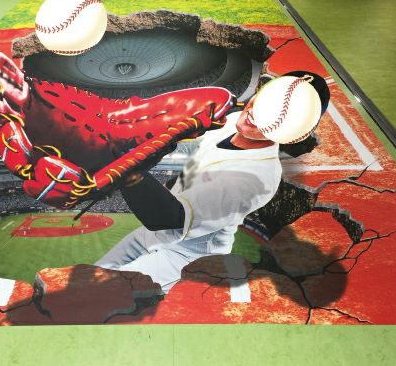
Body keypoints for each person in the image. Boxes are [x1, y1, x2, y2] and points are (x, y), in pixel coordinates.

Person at [96, 72, 330, 293]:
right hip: (154, 237)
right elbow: (192, 163)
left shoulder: (255, 179)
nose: (259, 112)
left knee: (100, 295)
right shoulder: (231, 121)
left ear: (292, 133)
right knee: (90, 277)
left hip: (187, 257)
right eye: (269, 97)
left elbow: (168, 219)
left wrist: (123, 163)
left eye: (282, 114)